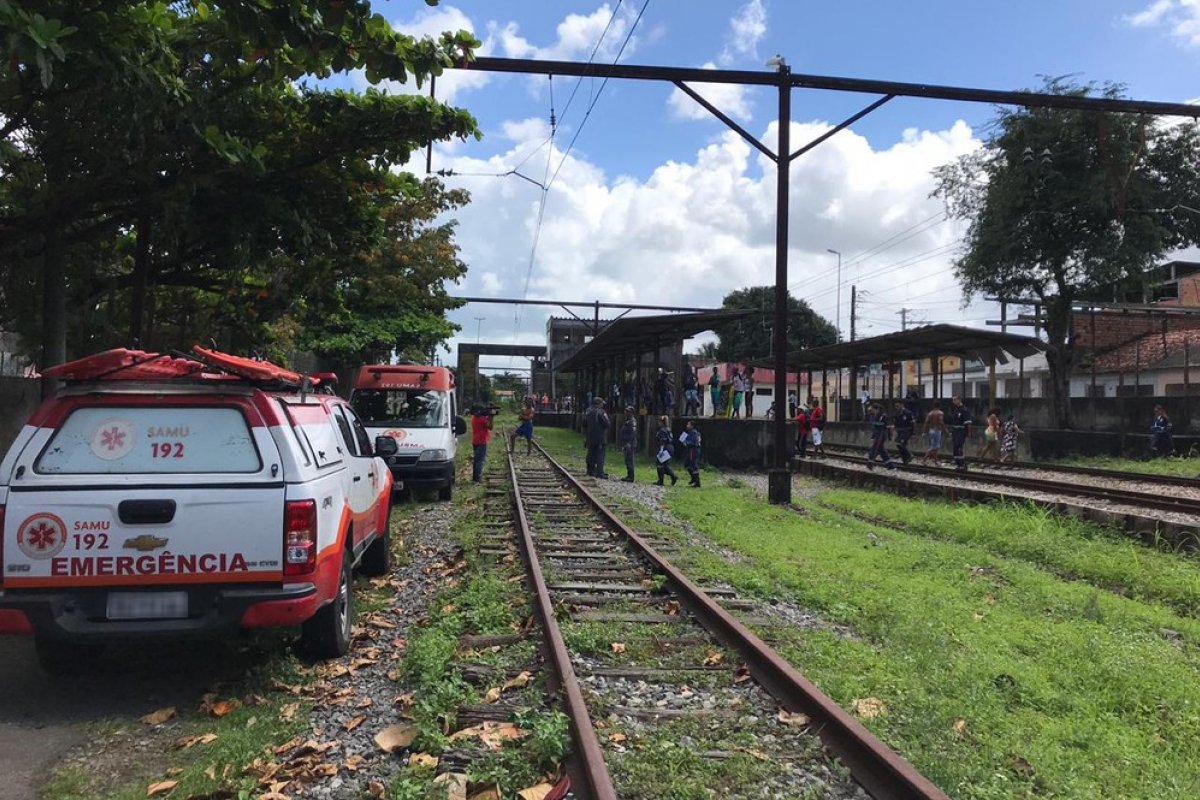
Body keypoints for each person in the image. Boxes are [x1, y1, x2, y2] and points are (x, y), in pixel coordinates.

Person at [584, 398, 610, 478]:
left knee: (591, 454)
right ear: (599, 404)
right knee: (600, 455)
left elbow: (584, 424)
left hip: (590, 437)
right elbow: (607, 424)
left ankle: (590, 470)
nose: (603, 405)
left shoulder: (588, 412)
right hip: (600, 437)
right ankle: (599, 472)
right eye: (602, 403)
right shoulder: (601, 412)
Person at [865, 402, 896, 470]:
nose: (872, 411)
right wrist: (872, 437)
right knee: (881, 450)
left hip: (882, 434)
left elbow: (888, 428)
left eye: (873, 409)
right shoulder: (874, 416)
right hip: (877, 434)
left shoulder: (883, 416)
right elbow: (874, 428)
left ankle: (870, 463)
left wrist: (890, 437)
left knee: (874, 448)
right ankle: (890, 465)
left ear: (877, 409)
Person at [946, 396, 972, 471]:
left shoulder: (964, 410)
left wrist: (968, 433)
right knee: (955, 448)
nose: (954, 402)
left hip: (961, 430)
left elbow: (968, 422)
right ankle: (959, 463)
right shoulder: (955, 410)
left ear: (959, 400)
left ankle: (962, 464)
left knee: (958, 446)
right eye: (953, 400)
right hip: (955, 430)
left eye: (955, 400)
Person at [470, 405, 493, 483]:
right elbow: (490, 427)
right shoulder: (482, 419)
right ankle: (477, 479)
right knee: (480, 461)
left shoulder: (473, 418)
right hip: (482, 442)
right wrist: (492, 417)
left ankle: (475, 478)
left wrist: (488, 416)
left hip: (475, 441)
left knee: (476, 460)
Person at [654, 415, 678, 486]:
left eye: (659, 422)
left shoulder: (662, 430)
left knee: (660, 464)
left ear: (661, 422)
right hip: (670, 448)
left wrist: (661, 450)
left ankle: (661, 481)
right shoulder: (668, 429)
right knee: (664, 465)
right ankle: (673, 476)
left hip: (666, 448)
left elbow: (662, 441)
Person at [892, 400, 916, 464]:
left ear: (902, 405)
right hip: (900, 431)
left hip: (907, 430)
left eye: (898, 406)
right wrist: (895, 431)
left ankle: (909, 455)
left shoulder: (908, 413)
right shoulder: (896, 414)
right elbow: (895, 424)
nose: (896, 407)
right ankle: (905, 460)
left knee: (900, 443)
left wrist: (913, 433)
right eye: (896, 406)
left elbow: (913, 423)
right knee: (900, 444)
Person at [619, 405, 638, 482]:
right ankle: (629, 474)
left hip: (630, 443)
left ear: (632, 412)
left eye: (628, 411)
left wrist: (629, 443)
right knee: (627, 460)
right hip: (626, 443)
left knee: (629, 459)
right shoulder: (627, 420)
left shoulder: (632, 421)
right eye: (626, 411)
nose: (626, 412)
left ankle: (631, 476)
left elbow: (633, 433)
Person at [682, 420, 702, 487]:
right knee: (687, 464)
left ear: (692, 426)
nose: (687, 426)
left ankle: (697, 482)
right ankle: (693, 478)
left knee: (693, 465)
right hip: (690, 450)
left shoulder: (694, 432)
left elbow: (695, 442)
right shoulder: (690, 432)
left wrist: (686, 442)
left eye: (688, 424)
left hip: (693, 450)